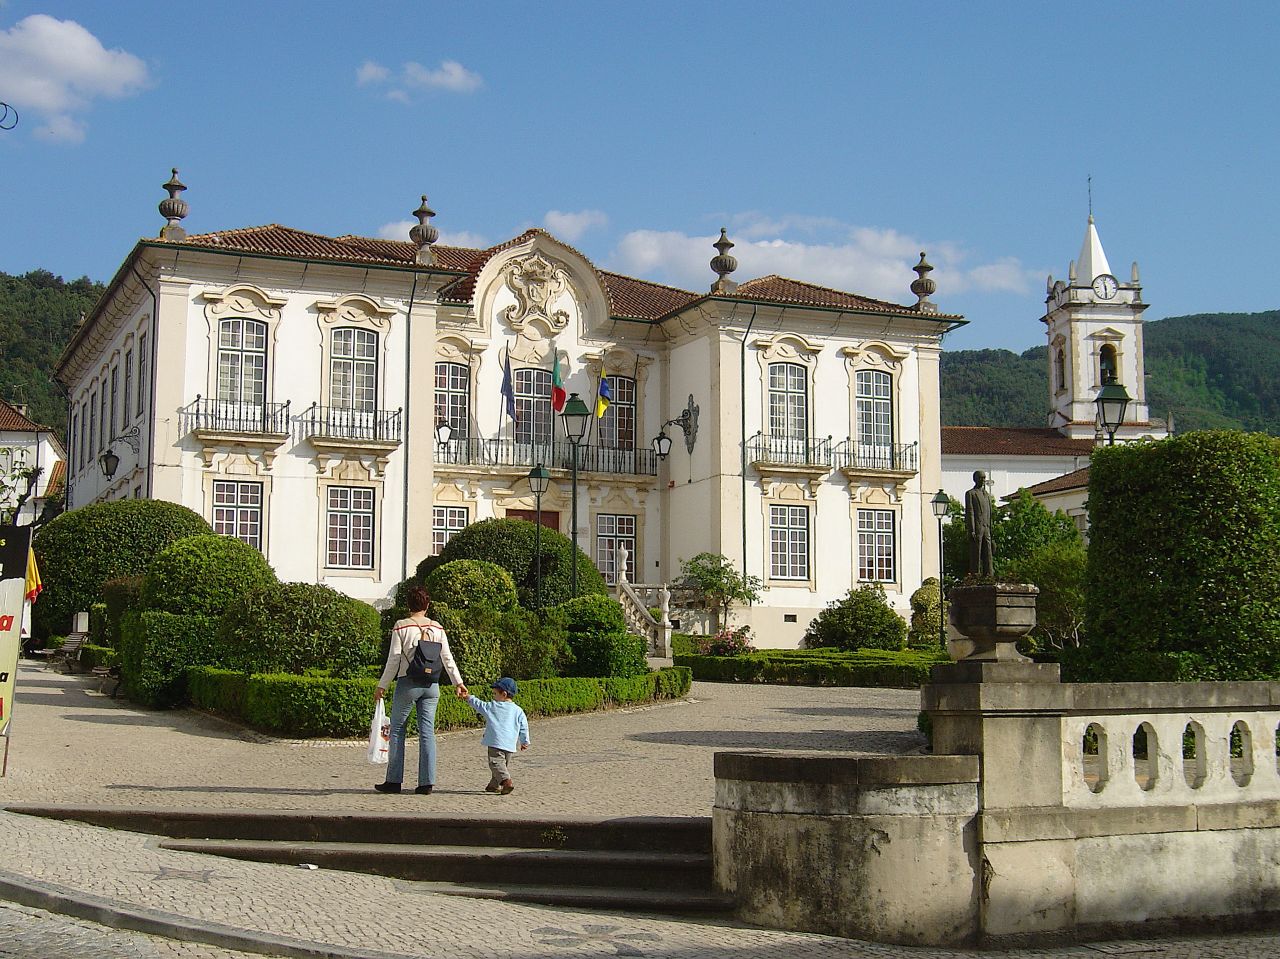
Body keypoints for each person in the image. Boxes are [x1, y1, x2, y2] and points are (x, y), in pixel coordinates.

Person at [374, 586, 468, 795]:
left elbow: (394, 660)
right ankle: (426, 783)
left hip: (408, 682)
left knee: (398, 731)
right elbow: (447, 659)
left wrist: (382, 685)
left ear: (408, 604)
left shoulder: (401, 627)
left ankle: (394, 781)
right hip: (431, 685)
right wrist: (458, 683)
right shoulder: (438, 628)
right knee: (427, 733)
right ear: (427, 605)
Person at [464, 677, 530, 795]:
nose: (493, 696)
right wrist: (524, 741)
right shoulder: (518, 710)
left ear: (503, 694)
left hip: (495, 741)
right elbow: (523, 726)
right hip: (510, 744)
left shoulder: (492, 707)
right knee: (501, 766)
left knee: (495, 763)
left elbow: (478, 704)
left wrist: (468, 697)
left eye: (495, 693)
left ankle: (507, 782)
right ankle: (493, 785)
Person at [965, 470, 995, 578]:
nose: (983, 480)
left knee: (988, 552)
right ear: (975, 479)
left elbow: (990, 513)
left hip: (986, 527)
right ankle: (975, 575)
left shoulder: (986, 495)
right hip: (977, 527)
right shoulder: (970, 493)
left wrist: (991, 529)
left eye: (984, 478)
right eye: (981, 478)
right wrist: (971, 529)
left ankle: (989, 575)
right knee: (976, 553)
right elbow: (970, 511)